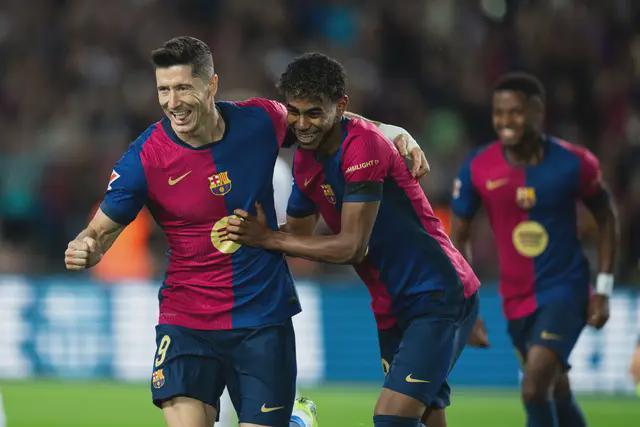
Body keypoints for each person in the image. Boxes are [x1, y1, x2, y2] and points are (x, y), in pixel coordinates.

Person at [64, 37, 426, 427]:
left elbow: (324, 120)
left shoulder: (259, 121)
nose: (173, 102)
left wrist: (388, 130)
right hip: (187, 320)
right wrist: (86, 246)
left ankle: (295, 419)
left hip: (262, 318)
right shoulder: (144, 159)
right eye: (163, 90)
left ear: (211, 86)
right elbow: (99, 232)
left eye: (183, 88)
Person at [223, 52, 480, 427]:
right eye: (294, 112)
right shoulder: (305, 160)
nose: (302, 124)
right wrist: (257, 234)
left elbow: (352, 246)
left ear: (341, 106)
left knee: (392, 417)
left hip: (437, 293)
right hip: (391, 306)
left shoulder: (364, 147)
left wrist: (267, 238)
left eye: (314, 113)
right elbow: (297, 237)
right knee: (427, 416)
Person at [450, 72, 618, 427]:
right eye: (499, 113)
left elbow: (607, 219)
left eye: (514, 112)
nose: (505, 121)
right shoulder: (479, 166)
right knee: (556, 389)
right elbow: (459, 235)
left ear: (537, 111)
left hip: (566, 290)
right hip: (515, 298)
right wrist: (468, 306)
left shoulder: (575, 162)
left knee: (533, 389)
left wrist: (603, 290)